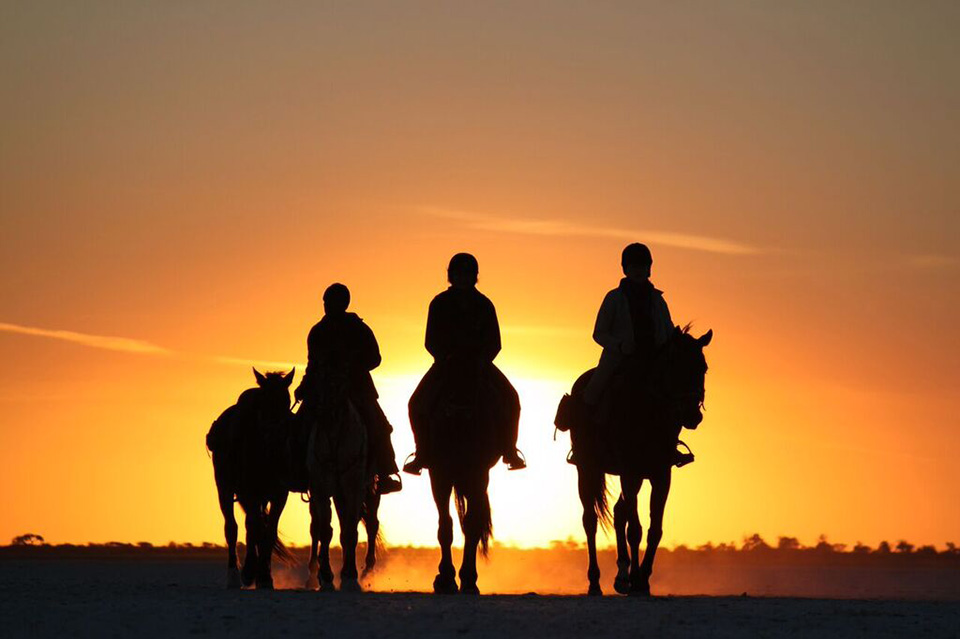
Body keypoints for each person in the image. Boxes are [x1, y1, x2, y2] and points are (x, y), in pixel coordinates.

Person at [404, 253, 526, 475]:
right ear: (451, 276)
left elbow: (495, 342)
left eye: (467, 274)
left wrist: (480, 361)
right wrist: (445, 358)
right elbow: (430, 339)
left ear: (474, 276)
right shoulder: (439, 303)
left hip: (479, 365)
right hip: (446, 365)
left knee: (511, 399)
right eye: (458, 273)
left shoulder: (484, 304)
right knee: (416, 403)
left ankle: (509, 450)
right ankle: (422, 453)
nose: (462, 278)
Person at [294, 283, 402, 495]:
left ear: (344, 303)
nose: (327, 306)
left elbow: (375, 358)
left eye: (332, 302)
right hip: (323, 389)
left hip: (356, 389)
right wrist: (304, 386)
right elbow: (312, 364)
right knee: (299, 426)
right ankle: (297, 471)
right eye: (325, 301)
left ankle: (386, 471)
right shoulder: (317, 332)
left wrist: (351, 366)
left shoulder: (359, 329)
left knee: (378, 424)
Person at [583, 243, 674, 410]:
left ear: (648, 269)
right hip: (618, 358)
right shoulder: (613, 298)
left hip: (653, 358)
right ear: (626, 269)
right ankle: (583, 422)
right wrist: (620, 346)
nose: (638, 270)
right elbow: (599, 333)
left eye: (642, 266)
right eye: (633, 266)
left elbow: (669, 331)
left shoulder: (658, 301)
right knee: (593, 389)